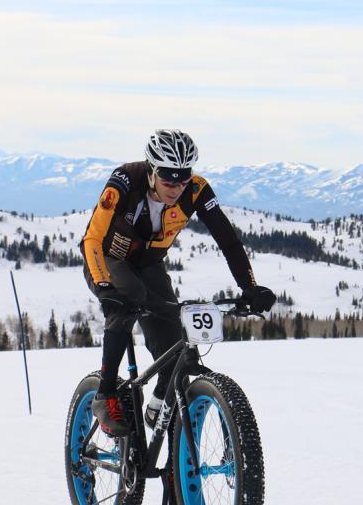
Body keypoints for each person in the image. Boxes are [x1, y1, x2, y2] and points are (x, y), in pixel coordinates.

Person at [80, 128, 276, 435]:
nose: (176, 186)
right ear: (152, 170)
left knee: (173, 343)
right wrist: (104, 287)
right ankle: (105, 394)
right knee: (130, 294)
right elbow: (92, 238)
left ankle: (162, 413)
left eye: (183, 177)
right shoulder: (124, 181)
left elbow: (227, 239)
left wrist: (249, 286)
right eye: (168, 178)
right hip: (108, 259)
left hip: (148, 265)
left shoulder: (197, 190)